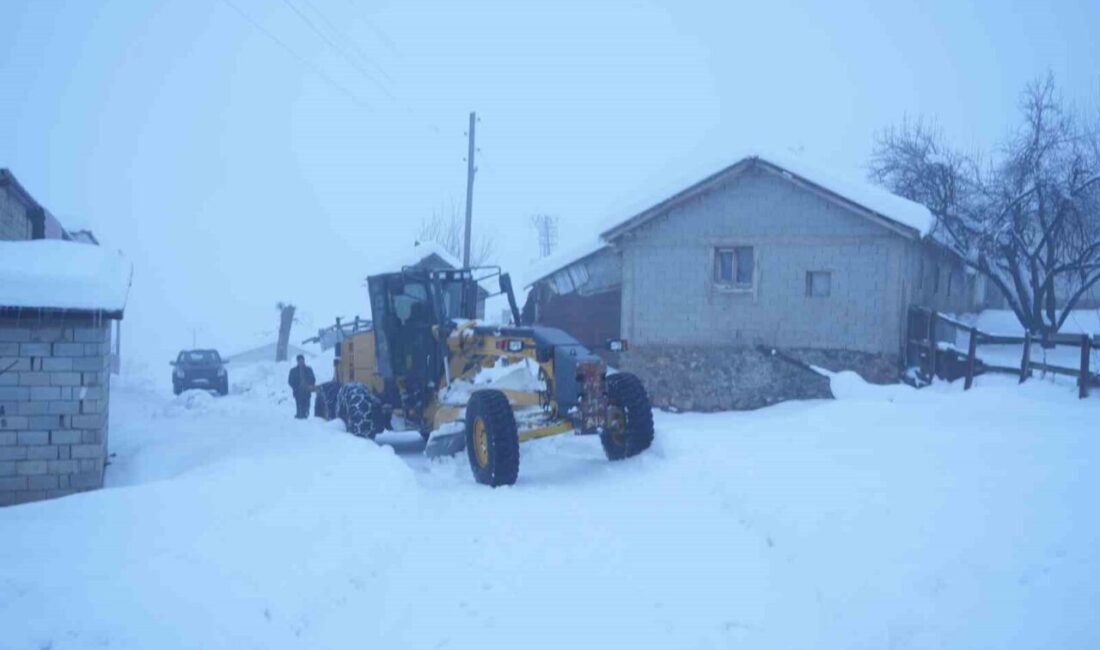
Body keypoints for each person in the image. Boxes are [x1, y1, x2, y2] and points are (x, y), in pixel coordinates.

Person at [287, 354, 316, 419]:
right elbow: (290, 381)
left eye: (302, 360)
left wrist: (309, 384)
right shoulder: (293, 371)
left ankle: (306, 413)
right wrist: (295, 386)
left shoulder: (309, 369)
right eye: (299, 360)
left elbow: (313, 378)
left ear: (304, 360)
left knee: (307, 402)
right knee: (299, 403)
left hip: (307, 390)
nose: (301, 362)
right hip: (298, 390)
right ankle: (299, 414)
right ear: (297, 361)